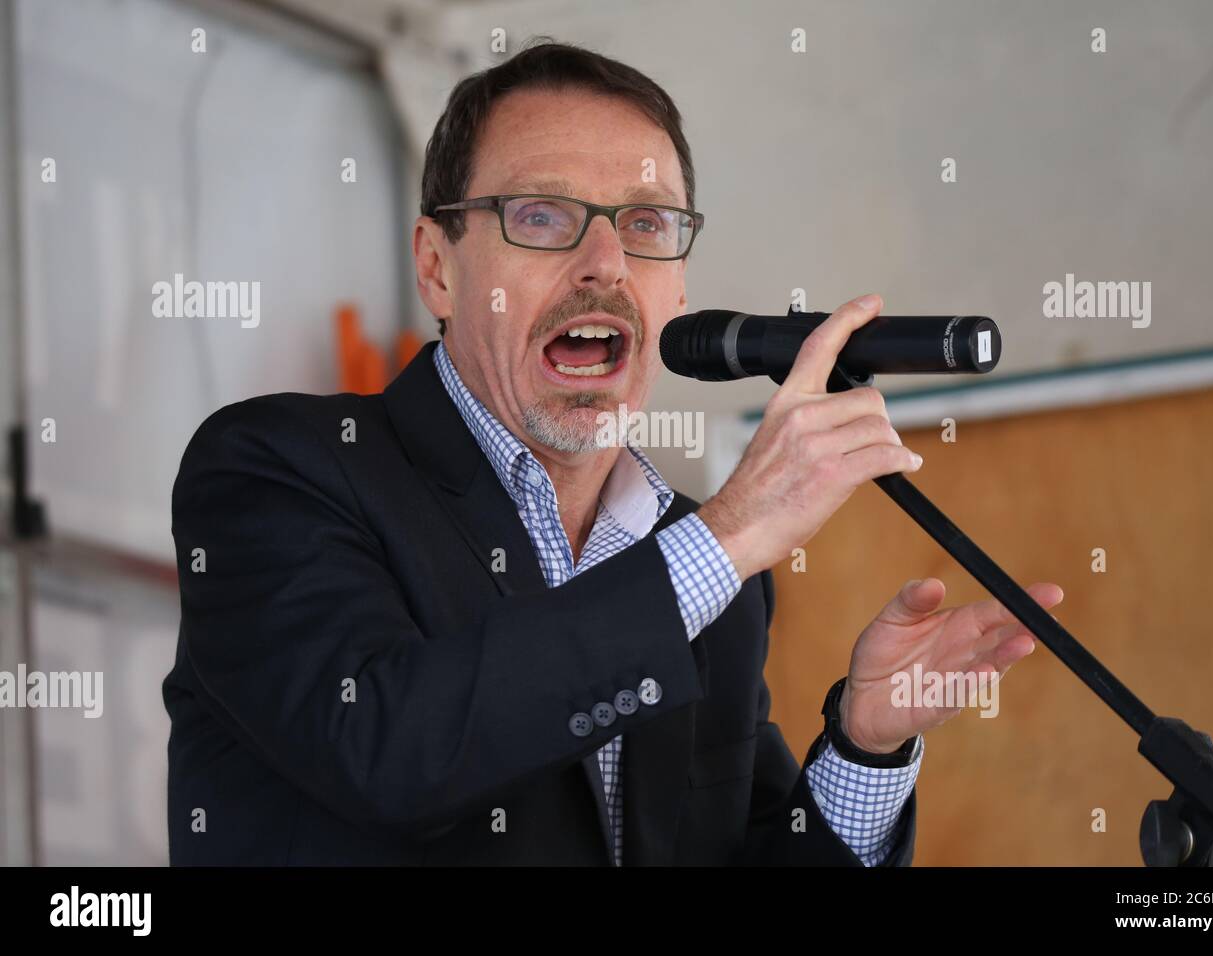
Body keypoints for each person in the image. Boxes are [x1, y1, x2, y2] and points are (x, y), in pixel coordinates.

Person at [163, 39, 1062, 866]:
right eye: (544, 216)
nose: (606, 263)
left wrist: (867, 748)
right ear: (437, 266)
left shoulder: (716, 580)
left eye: (646, 224)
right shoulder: (276, 470)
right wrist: (726, 539)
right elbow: (389, 751)